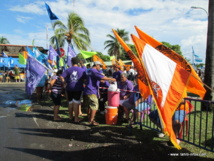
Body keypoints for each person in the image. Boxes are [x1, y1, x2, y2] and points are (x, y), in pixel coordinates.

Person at [83, 61, 116, 126]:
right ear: (97, 65)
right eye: (100, 66)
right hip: (91, 91)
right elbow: (102, 77)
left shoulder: (88, 70)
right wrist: (111, 79)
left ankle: (89, 119)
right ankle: (92, 120)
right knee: (95, 106)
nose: (100, 67)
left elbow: (90, 79)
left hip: (86, 90)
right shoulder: (94, 70)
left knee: (89, 106)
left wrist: (101, 80)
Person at [61, 57, 86, 123]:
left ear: (71, 62)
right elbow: (85, 79)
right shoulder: (82, 70)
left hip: (69, 87)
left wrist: (64, 83)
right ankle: (76, 118)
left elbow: (61, 76)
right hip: (78, 88)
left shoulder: (68, 70)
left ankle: (70, 116)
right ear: (78, 62)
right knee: (76, 103)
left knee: (70, 103)